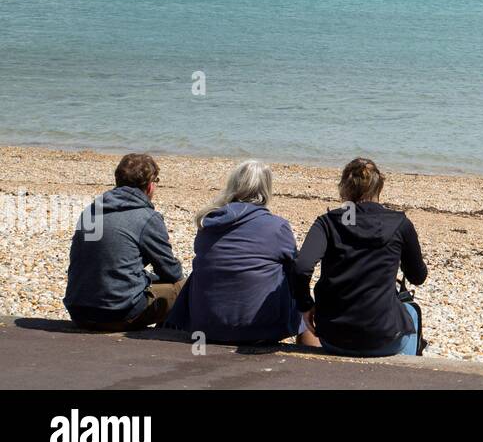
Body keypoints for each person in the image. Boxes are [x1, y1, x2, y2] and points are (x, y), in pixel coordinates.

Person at [166, 160, 319, 346]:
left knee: (202, 271)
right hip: (259, 328)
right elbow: (296, 269)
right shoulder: (276, 226)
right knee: (295, 284)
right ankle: (308, 358)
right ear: (266, 189)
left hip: (207, 326)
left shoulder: (208, 223)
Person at [292, 158, 427, 356]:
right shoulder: (400, 223)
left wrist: (305, 305)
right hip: (384, 337)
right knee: (412, 313)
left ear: (344, 190)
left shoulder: (327, 223)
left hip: (333, 336)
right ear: (378, 188)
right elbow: (418, 277)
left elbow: (301, 266)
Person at [64, 152, 185, 331]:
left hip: (79, 311)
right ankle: (165, 335)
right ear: (150, 186)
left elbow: (98, 260)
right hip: (117, 313)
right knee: (184, 288)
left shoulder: (91, 211)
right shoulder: (147, 218)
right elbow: (171, 273)